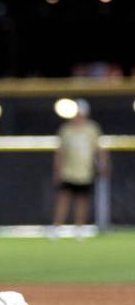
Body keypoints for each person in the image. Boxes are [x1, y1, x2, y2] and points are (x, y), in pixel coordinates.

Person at [53, 99, 108, 231]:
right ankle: (57, 228)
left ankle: (79, 229)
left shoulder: (92, 129)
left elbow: (99, 150)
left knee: (82, 201)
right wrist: (58, 170)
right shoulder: (66, 129)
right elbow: (60, 153)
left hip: (85, 171)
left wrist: (104, 165)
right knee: (63, 199)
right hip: (68, 171)